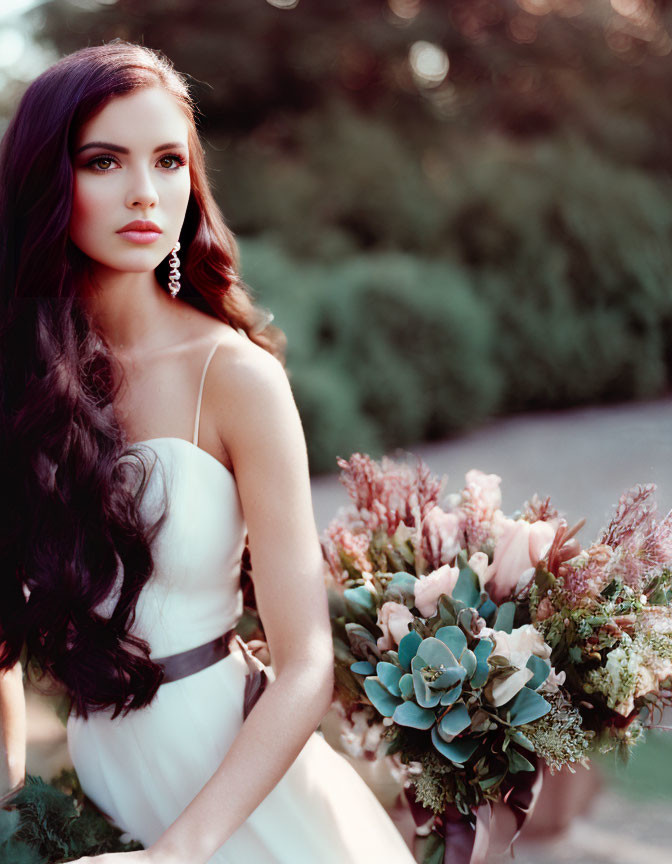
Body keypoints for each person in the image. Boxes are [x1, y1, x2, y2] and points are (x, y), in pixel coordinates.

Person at [0, 42, 416, 864]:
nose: (145, 193)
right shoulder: (22, 387)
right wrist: (10, 813)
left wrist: (177, 857)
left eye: (167, 161)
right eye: (104, 161)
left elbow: (306, 666)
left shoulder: (235, 378)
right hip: (114, 801)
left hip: (247, 813)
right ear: (48, 181)